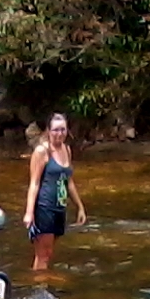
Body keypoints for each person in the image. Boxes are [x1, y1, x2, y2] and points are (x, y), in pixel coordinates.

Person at [23, 113, 87, 271]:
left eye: (63, 130)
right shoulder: (41, 152)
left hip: (60, 208)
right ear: (48, 131)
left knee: (48, 253)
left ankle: (40, 286)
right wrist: (29, 213)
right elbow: (34, 183)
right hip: (44, 208)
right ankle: (39, 289)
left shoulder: (67, 149)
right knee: (43, 255)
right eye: (56, 130)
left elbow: (69, 181)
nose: (60, 134)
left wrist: (80, 206)